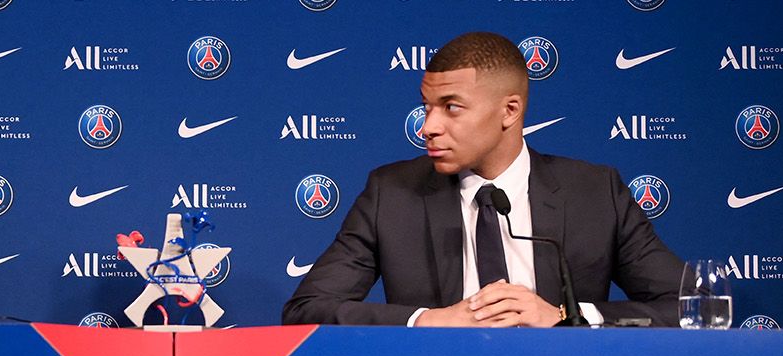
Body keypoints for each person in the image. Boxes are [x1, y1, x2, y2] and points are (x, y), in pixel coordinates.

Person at [282, 31, 683, 328]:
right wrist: (429, 321)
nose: (428, 127)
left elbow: (694, 305)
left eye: (451, 107)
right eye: (427, 107)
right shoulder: (391, 193)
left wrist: (565, 316)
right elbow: (306, 310)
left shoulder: (595, 192)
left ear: (510, 111)